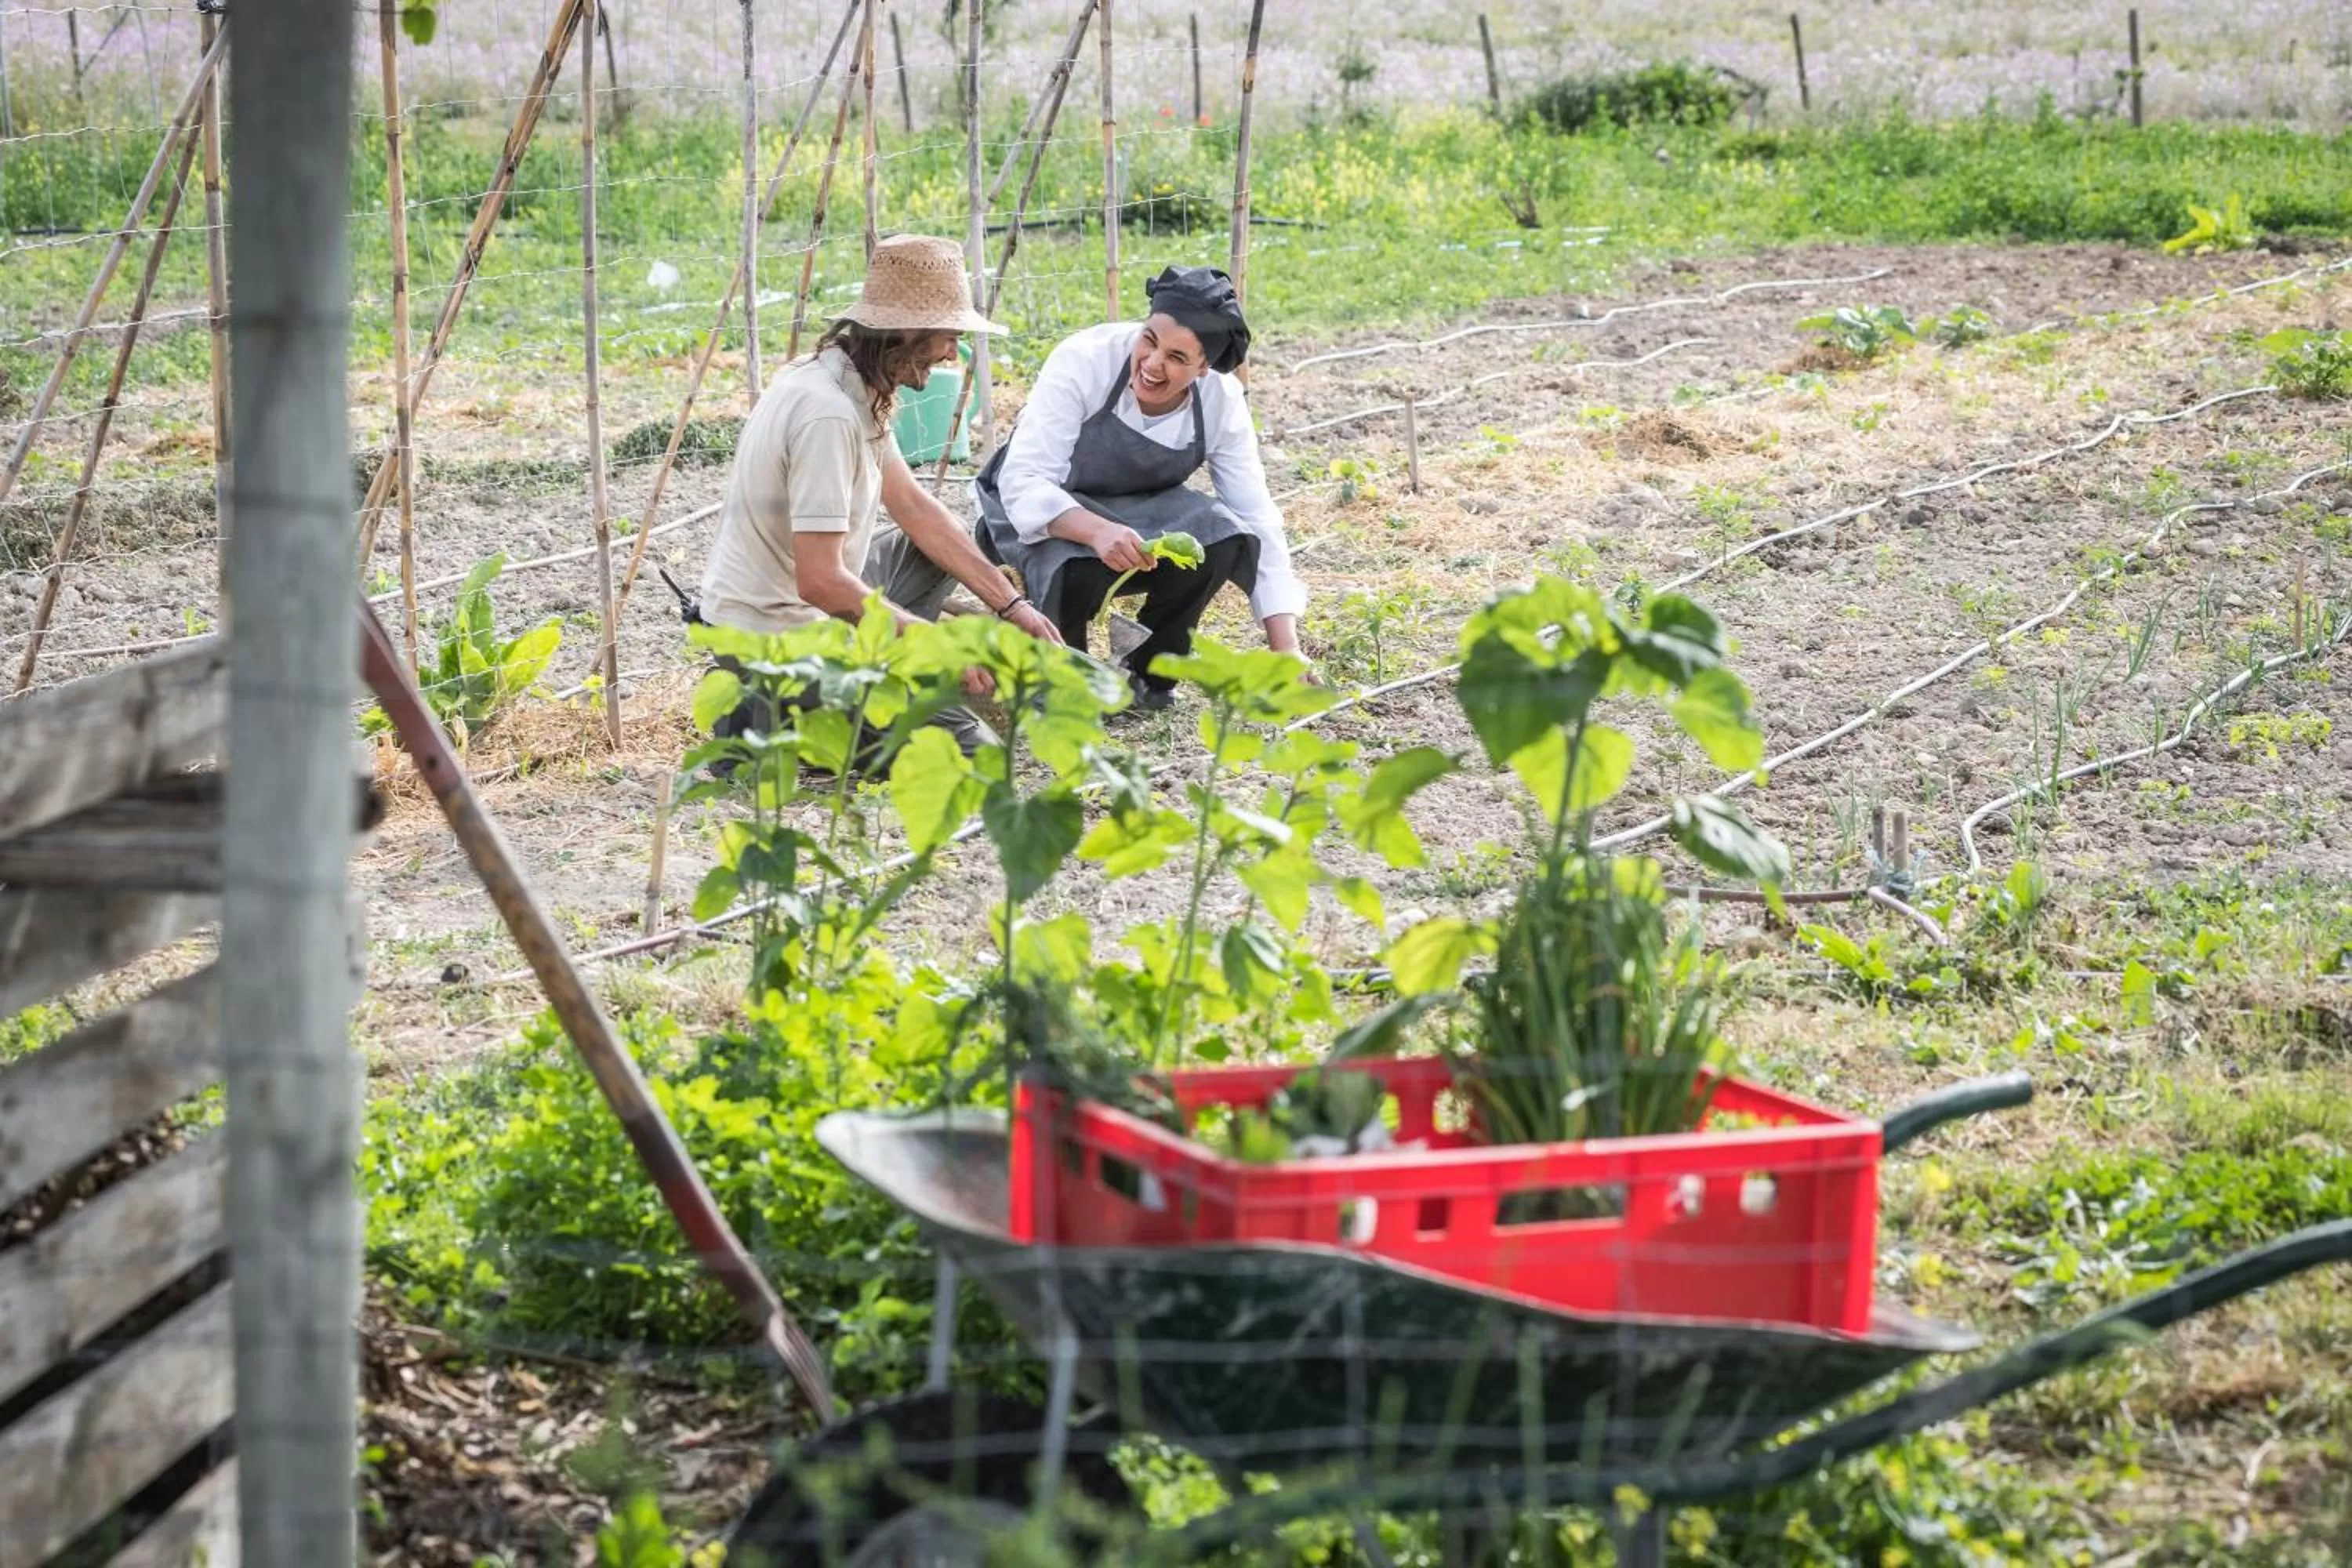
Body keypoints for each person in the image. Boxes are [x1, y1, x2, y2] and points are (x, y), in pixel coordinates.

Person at [691, 234, 1063, 751]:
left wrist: (1011, 605)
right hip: (775, 634)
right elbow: (820, 581)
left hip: (806, 607)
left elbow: (914, 507)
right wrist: (931, 643)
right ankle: (775, 709)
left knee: (937, 546)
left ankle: (881, 683)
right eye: (947, 337)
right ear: (905, 332)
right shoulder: (827, 417)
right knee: (974, 753)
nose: (951, 353)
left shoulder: (847, 381)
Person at [975, 264, 1308, 709]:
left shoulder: (1220, 400)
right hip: (1046, 517)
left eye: (1177, 358)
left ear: (1204, 367)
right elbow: (1025, 482)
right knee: (1072, 574)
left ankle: (1149, 674)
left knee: (1223, 535)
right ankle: (1065, 676)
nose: (1152, 364)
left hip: (1141, 515)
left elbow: (1256, 516)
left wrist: (1285, 648)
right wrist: (1096, 531)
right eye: (1149, 340)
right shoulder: (1086, 360)